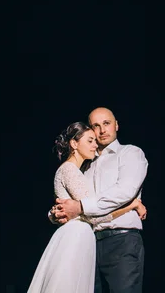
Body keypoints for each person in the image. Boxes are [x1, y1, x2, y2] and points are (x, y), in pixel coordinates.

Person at [27, 121, 146, 293]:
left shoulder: (78, 170)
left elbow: (72, 207)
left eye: (94, 141)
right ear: (74, 144)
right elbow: (93, 215)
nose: (95, 145)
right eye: (90, 140)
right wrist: (132, 205)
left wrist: (55, 213)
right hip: (77, 235)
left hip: (87, 236)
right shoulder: (70, 170)